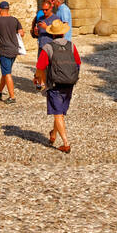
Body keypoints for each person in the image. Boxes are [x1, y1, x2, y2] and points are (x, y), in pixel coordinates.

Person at [36, 20, 80, 153]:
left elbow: (40, 67)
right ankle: (53, 134)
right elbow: (78, 64)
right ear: (63, 33)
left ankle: (66, 143)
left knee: (58, 113)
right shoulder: (72, 46)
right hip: (69, 83)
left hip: (54, 84)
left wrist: (38, 79)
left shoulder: (48, 48)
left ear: (52, 34)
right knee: (59, 112)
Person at [0, 0, 23, 104]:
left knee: (7, 73)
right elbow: (22, 33)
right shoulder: (15, 20)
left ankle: (12, 97)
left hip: (5, 50)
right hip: (14, 50)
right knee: (6, 71)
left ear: (0, 9)